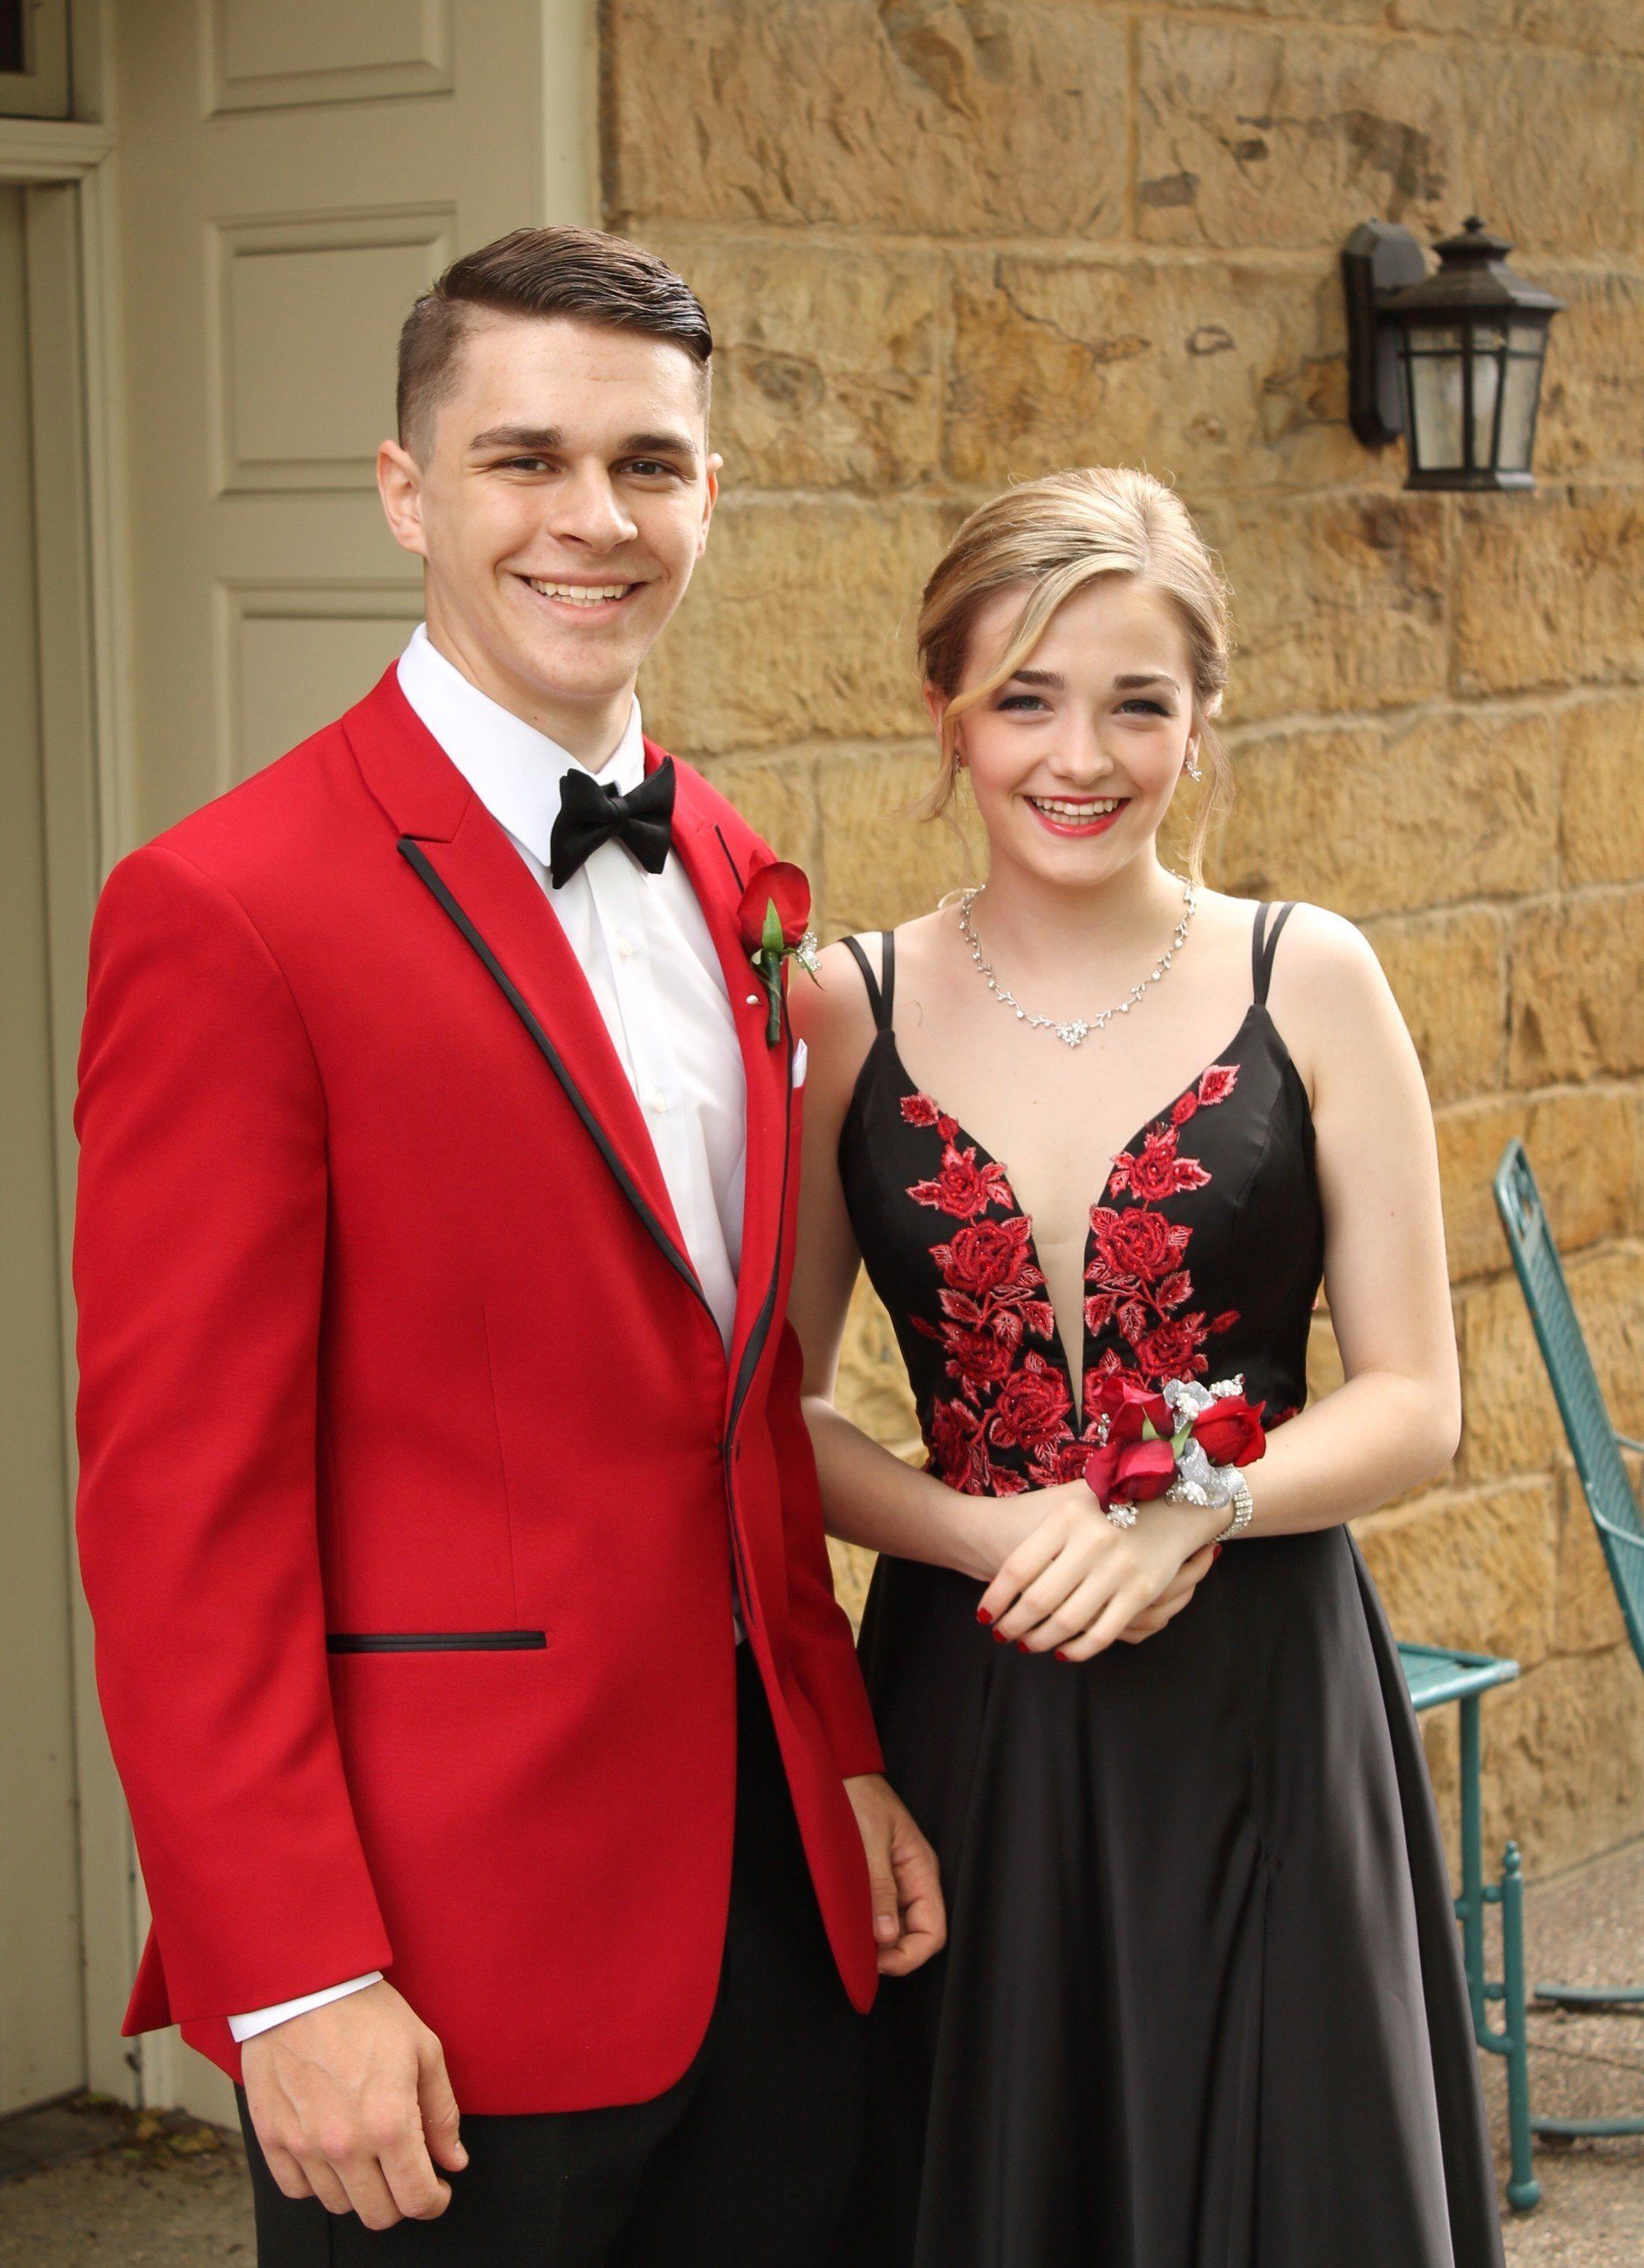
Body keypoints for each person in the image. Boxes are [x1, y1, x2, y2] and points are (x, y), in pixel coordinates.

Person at [72, 223, 942, 2266]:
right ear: (407, 491)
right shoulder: (226, 909)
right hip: (433, 1965)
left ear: (710, 494)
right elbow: (178, 1511)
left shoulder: (732, 866)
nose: (593, 518)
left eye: (647, 464)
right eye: (523, 458)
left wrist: (836, 1754)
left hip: (772, 1916)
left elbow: (738, 1407)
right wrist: (291, 1972)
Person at [789, 467, 1505, 2265]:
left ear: (1202, 723)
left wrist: (1197, 1502)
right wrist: (982, 1533)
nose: (1079, 754)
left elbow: (1416, 1399)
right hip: (968, 1705)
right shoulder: (841, 1010)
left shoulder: (1310, 976)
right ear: (945, 711)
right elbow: (773, 1415)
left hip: (1262, 1700)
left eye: (1135, 702)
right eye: (1025, 696)